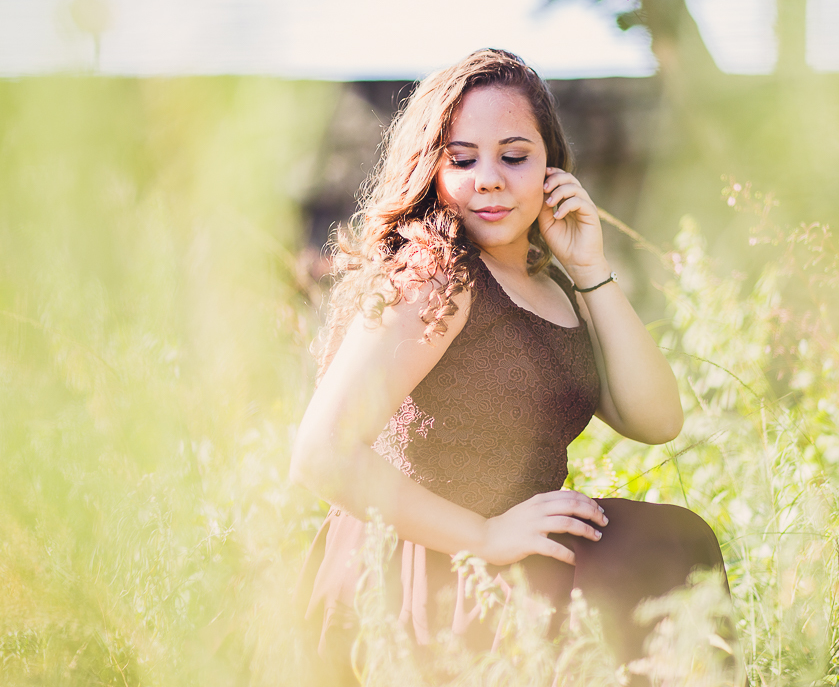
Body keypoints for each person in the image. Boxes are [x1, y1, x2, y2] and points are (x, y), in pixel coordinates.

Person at [289, 49, 735, 683]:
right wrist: (484, 535)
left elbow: (658, 418)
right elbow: (320, 453)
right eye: (463, 159)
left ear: (550, 166)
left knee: (671, 544)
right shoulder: (434, 278)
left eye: (514, 156)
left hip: (519, 548)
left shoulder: (550, 285)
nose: (489, 178)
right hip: (434, 562)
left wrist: (588, 269)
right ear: (431, 170)